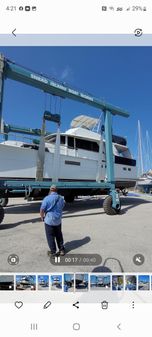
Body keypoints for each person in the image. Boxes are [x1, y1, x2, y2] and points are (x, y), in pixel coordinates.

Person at [40, 185, 65, 257]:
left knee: (50, 236)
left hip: (49, 220)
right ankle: (61, 250)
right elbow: (62, 206)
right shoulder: (61, 198)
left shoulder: (46, 198)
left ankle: (53, 252)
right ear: (57, 190)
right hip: (58, 220)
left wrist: (42, 217)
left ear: (50, 190)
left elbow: (42, 209)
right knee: (59, 235)